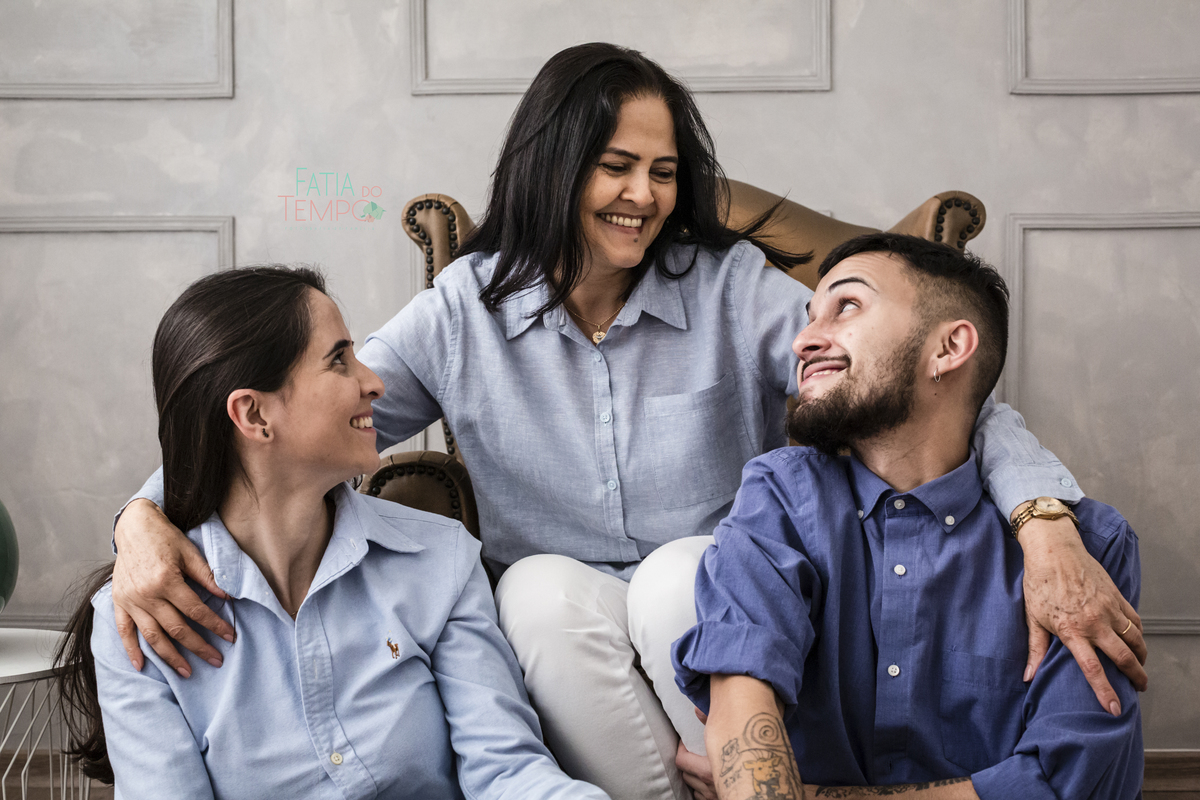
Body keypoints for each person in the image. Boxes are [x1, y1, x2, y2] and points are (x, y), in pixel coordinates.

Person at [106, 44, 1145, 800]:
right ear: (554, 166)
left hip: (724, 602)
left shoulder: (733, 287)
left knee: (676, 573)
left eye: (663, 169)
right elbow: (289, 418)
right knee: (543, 589)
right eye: (615, 165)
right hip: (565, 641)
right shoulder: (466, 308)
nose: (644, 195)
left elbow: (919, 384)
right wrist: (143, 517)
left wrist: (1044, 514)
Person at [56, 267, 608, 799]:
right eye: (339, 360)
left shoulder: (441, 559)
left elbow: (506, 773)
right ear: (253, 415)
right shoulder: (135, 622)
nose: (374, 381)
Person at [673, 233, 1143, 799]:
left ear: (948, 348)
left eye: (846, 306)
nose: (802, 340)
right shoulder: (780, 498)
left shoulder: (1089, 548)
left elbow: (1066, 784)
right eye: (808, 316)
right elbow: (742, 697)